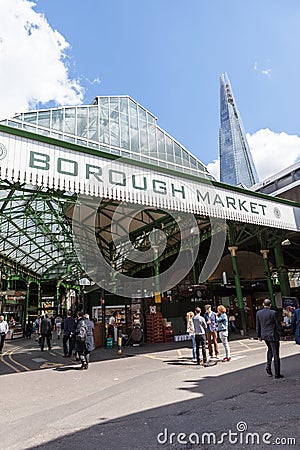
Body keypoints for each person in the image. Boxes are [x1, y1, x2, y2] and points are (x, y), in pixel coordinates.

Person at [256, 299, 284, 378]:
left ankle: (268, 366)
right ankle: (277, 373)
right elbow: (278, 324)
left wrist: (259, 335)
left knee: (269, 350)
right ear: (270, 305)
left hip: (264, 335)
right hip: (273, 335)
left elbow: (258, 325)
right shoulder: (273, 313)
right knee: (276, 354)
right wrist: (282, 334)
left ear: (263, 304)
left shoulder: (258, 313)